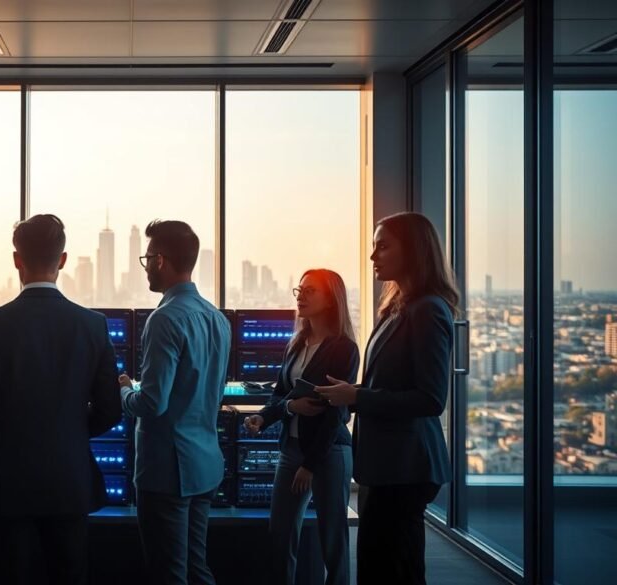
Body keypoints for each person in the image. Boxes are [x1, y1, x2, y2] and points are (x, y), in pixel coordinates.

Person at [0, 214, 123, 585]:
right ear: (62, 260)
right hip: (69, 480)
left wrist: (0, 445)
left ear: (17, 259)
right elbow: (111, 410)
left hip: (8, 482)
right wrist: (71, 435)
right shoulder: (93, 325)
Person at [315, 212, 458, 585]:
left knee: (395, 568)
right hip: (387, 464)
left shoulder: (427, 310)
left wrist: (356, 396)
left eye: (383, 245)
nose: (373, 255)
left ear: (412, 251)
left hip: (405, 466)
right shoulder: (400, 307)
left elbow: (430, 399)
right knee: (382, 564)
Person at [119, 220, 231, 585]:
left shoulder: (165, 319)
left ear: (161, 260)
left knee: (169, 573)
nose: (146, 266)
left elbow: (152, 403)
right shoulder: (217, 318)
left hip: (167, 471)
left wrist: (123, 389)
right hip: (205, 464)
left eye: (147, 258)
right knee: (197, 567)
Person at [243, 269, 359, 585]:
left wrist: (310, 464)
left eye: (310, 291)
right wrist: (265, 417)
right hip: (291, 450)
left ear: (331, 299)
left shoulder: (343, 348)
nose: (301, 296)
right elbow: (283, 394)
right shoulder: (296, 344)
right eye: (300, 289)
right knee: (280, 534)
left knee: (332, 538)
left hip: (328, 451)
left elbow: (336, 412)